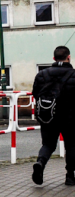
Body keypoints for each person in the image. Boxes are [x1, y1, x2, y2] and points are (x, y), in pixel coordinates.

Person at [32, 45, 75, 186]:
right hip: (70, 118)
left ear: (53, 58)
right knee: (71, 146)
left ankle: (40, 163)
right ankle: (70, 176)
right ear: (68, 57)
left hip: (48, 116)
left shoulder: (42, 74)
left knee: (48, 144)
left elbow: (36, 94)